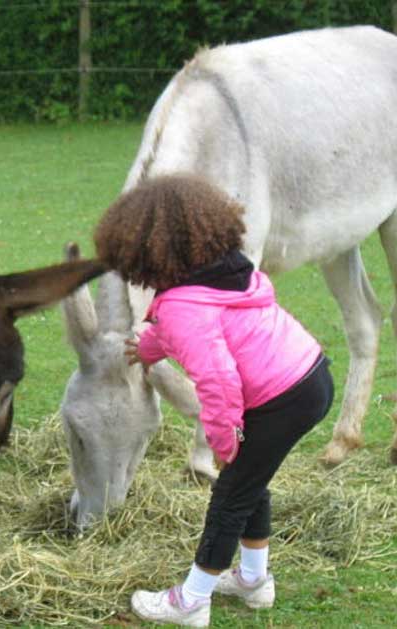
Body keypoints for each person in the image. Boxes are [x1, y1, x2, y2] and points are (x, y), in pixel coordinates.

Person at [94, 174, 335, 627]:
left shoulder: (185, 305)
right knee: (249, 481)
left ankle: (190, 601)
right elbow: (200, 325)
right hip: (308, 377)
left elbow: (219, 380)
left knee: (230, 493)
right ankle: (253, 580)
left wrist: (225, 439)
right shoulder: (223, 273)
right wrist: (149, 348)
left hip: (280, 397)